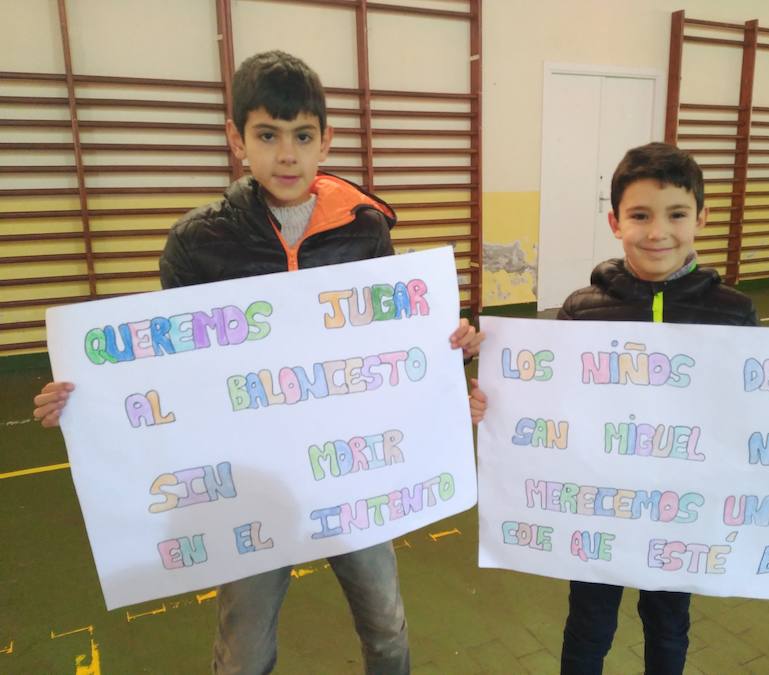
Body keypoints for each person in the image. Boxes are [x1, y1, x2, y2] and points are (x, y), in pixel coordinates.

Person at [33, 50, 483, 675]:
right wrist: (88, 404)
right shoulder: (198, 242)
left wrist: (446, 353)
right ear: (237, 140)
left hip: (349, 469)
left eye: (302, 136)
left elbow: (389, 344)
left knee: (386, 624)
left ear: (326, 140)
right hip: (249, 482)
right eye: (267, 136)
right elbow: (168, 370)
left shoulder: (365, 229)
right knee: (243, 651)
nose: (287, 154)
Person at [467, 142, 769, 675]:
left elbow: (766, 406)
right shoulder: (582, 310)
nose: (657, 231)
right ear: (615, 221)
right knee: (589, 624)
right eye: (639, 215)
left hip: (683, 517)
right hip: (599, 504)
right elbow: (551, 399)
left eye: (676, 214)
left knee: (668, 626)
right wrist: (494, 405)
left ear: (701, 219)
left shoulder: (732, 312)